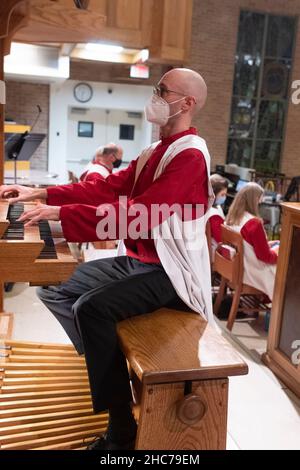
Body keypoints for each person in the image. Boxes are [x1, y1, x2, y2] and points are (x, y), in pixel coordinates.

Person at [0, 68, 214, 450]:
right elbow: (106, 187)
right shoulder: (154, 151)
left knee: (91, 309)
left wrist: (61, 217)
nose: (155, 95)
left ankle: (121, 427)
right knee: (56, 289)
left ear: (188, 103)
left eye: (162, 90)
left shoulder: (190, 156)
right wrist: (41, 194)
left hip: (170, 270)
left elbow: (141, 214)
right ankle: (110, 366)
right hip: (138, 258)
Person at [225, 182, 278, 301]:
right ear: (253, 200)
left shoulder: (231, 218)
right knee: (287, 269)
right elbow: (265, 256)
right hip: (252, 272)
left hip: (236, 269)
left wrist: (268, 245)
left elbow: (249, 245)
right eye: (259, 199)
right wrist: (279, 253)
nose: (260, 203)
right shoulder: (254, 223)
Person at [206, 174, 228, 260]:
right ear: (213, 194)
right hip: (216, 253)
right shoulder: (214, 215)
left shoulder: (212, 207)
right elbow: (221, 239)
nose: (225, 198)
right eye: (222, 195)